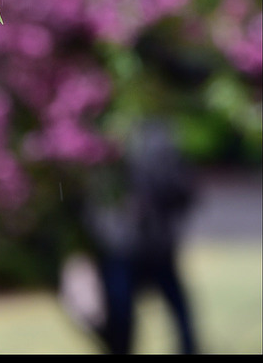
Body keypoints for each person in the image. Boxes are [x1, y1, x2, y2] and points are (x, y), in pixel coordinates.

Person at [83, 119, 198, 354]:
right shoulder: (101, 151)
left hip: (154, 248)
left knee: (178, 313)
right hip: (121, 249)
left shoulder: (156, 141)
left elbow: (183, 193)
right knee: (121, 314)